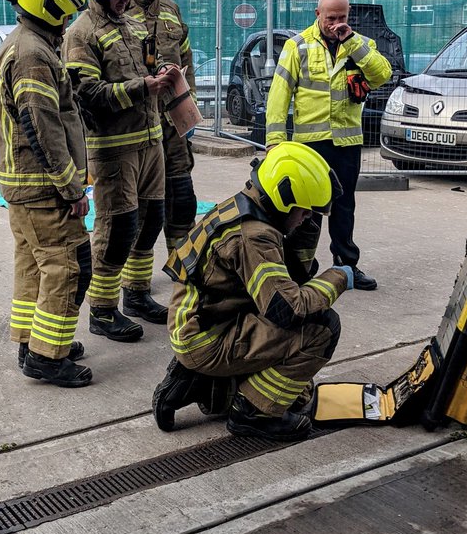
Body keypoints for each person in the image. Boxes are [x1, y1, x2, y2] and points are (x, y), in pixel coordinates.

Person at [151, 141, 354, 441]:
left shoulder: (247, 206)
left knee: (298, 392)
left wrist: (303, 239)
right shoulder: (255, 237)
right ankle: (252, 414)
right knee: (322, 329)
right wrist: (339, 277)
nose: (306, 219)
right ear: (284, 199)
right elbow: (288, 309)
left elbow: (289, 279)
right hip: (207, 336)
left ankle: (198, 382)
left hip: (203, 323)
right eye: (304, 211)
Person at [63, 0, 175, 342]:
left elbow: (147, 66)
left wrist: (162, 73)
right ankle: (103, 310)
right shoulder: (82, 33)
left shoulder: (132, 24)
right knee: (117, 230)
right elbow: (87, 94)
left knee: (152, 220)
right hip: (114, 149)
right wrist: (145, 86)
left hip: (150, 142)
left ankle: (137, 294)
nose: (127, 0)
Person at [0, 0, 92, 388]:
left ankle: (36, 342)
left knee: (34, 266)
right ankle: (48, 357)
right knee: (68, 267)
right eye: (66, 12)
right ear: (50, 8)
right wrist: (72, 188)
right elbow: (42, 127)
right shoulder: (32, 55)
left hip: (24, 186)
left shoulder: (26, 42)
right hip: (42, 188)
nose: (68, 21)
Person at [265, 0, 391, 290]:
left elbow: (382, 75)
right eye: (330, 18)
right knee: (306, 210)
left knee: (344, 207)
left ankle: (346, 266)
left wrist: (351, 41)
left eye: (342, 17)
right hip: (311, 145)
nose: (336, 24)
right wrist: (275, 142)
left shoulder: (360, 44)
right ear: (317, 14)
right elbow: (279, 95)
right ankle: (300, 268)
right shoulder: (298, 46)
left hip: (347, 144)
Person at [127, 0, 198, 251]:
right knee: (142, 207)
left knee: (182, 199)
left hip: (172, 125)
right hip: (137, 127)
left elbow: (186, 59)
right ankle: (135, 274)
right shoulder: (119, 9)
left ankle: (180, 265)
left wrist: (189, 109)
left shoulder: (171, 10)